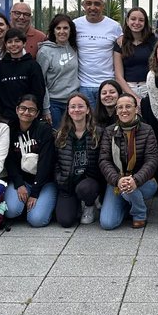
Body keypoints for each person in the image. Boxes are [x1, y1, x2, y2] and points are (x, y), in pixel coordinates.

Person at [98, 92, 158, 229]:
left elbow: (152, 160)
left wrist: (135, 180)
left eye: (128, 106)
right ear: (116, 111)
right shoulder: (109, 132)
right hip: (116, 182)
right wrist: (118, 180)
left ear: (136, 109)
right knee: (108, 223)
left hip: (144, 181)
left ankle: (139, 213)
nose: (124, 110)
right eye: (120, 107)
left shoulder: (147, 130)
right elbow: (104, 160)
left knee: (130, 189)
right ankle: (129, 205)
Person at [4, 95, 56, 227]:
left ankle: (46, 206)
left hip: (44, 183)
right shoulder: (9, 129)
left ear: (37, 113)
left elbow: (46, 163)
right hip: (22, 181)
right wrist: (19, 184)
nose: (26, 112)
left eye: (32, 110)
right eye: (23, 108)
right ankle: (24, 207)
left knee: (37, 220)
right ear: (17, 109)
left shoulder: (44, 129)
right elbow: (8, 160)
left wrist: (35, 193)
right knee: (11, 211)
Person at [53, 93, 104, 227]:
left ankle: (89, 204)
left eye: (80, 106)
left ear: (87, 110)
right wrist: (59, 178)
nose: (76, 110)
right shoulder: (60, 134)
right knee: (65, 221)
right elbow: (55, 162)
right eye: (73, 107)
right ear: (68, 111)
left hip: (89, 182)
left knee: (86, 189)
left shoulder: (98, 133)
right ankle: (75, 204)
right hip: (68, 183)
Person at [73, 0, 122, 106]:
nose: (92, 7)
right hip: (83, 86)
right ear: (83, 5)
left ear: (103, 6)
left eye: (97, 4)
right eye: (89, 3)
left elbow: (123, 45)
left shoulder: (114, 26)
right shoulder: (75, 25)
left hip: (108, 85)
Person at [0, 28, 47, 124]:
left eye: (17, 41)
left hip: (27, 117)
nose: (13, 44)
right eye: (10, 42)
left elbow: (39, 92)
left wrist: (34, 113)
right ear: (5, 45)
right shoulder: (0, 67)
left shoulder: (33, 65)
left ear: (24, 43)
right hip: (5, 118)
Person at [38, 15, 80, 128]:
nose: (62, 31)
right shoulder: (45, 52)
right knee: (57, 137)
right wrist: (46, 109)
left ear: (71, 30)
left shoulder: (74, 48)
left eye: (65, 28)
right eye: (58, 28)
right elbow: (40, 82)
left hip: (73, 102)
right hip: (54, 103)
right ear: (53, 31)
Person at [114, 6, 155, 99]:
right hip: (127, 88)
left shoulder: (153, 41)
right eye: (133, 19)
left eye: (141, 20)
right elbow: (118, 76)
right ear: (127, 21)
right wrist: (134, 98)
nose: (137, 23)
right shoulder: (120, 43)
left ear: (145, 23)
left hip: (149, 88)